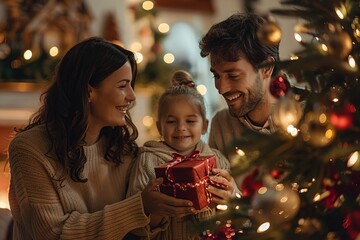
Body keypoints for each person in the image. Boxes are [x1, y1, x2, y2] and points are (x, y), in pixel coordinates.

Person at [7, 37, 195, 240]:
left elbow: (135, 231)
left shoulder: (123, 149)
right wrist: (139, 206)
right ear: (89, 91)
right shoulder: (30, 148)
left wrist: (157, 208)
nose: (132, 96)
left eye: (131, 85)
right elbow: (54, 234)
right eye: (123, 86)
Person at [127, 70, 239, 239]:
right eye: (171, 121)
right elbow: (134, 223)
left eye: (190, 120)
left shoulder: (216, 160)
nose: (181, 127)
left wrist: (228, 201)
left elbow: (237, 210)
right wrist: (154, 212)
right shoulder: (147, 160)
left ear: (204, 125)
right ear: (159, 127)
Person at [199, 12, 280, 164]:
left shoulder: (312, 114)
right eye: (216, 76)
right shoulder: (221, 125)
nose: (221, 89)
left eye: (233, 75)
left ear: (267, 68)